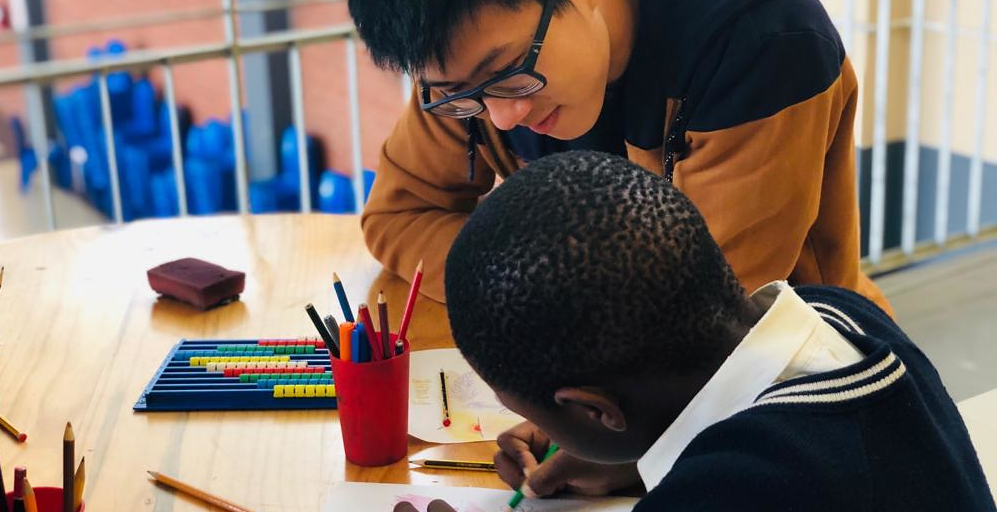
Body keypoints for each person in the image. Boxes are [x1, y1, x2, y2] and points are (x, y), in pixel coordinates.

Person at [395, 151, 993, 512]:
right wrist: (641, 459)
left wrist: (686, 474)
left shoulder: (727, 493)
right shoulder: (839, 312)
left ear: (595, 411)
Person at [348, 0, 892, 315]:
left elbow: (713, 313)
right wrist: (536, 281)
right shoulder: (470, 85)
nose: (502, 117)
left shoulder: (761, 42)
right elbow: (399, 216)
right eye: (459, 91)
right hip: (607, 375)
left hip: (790, 373)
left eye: (508, 70)